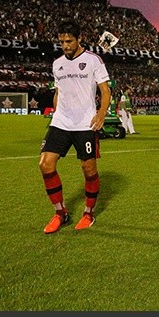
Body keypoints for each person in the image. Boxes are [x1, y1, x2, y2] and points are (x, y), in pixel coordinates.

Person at [38, 20, 111, 233]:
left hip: (85, 123)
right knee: (45, 164)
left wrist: (101, 113)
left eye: (69, 41)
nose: (65, 45)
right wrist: (55, 114)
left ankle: (88, 213)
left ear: (79, 39)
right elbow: (58, 92)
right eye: (61, 41)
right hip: (61, 122)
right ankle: (61, 213)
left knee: (88, 170)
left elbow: (105, 91)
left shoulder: (93, 60)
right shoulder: (57, 63)